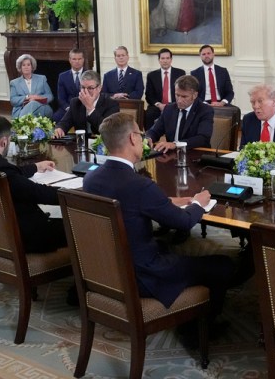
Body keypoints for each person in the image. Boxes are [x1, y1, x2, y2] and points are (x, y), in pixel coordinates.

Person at [82, 113, 235, 318]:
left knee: (169, 246)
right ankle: (201, 329)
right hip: (143, 275)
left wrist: (170, 201)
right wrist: (199, 202)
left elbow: (131, 203)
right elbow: (184, 222)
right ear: (132, 138)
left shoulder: (92, 177)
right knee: (223, 265)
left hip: (107, 269)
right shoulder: (140, 185)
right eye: (140, 133)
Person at [0, 116, 68, 253]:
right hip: (24, 238)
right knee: (78, 226)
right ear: (4, 142)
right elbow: (38, 193)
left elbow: (14, 174)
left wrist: (35, 167)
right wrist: (74, 193)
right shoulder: (3, 172)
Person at [146, 74, 212, 152]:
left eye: (184, 97)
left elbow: (203, 138)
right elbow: (154, 131)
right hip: (170, 155)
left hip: (195, 153)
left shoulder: (205, 110)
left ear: (194, 95)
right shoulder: (169, 109)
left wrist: (176, 144)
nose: (179, 100)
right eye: (177, 95)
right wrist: (149, 138)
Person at [53, 70, 119, 137]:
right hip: (81, 144)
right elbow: (64, 123)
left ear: (99, 88)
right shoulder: (76, 102)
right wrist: (60, 128)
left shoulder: (111, 104)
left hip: (102, 144)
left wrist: (90, 108)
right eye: (83, 87)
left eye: (90, 88)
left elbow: (107, 130)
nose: (86, 92)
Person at [144, 48, 185, 130]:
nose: (165, 61)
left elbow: (183, 92)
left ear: (171, 59)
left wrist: (173, 105)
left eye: (167, 58)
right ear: (159, 60)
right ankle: (149, 139)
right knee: (148, 114)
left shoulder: (180, 73)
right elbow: (149, 95)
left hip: (175, 105)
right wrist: (159, 105)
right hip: (158, 106)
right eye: (162, 58)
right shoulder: (151, 75)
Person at [9, 54, 54, 119]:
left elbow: (50, 96)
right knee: (33, 116)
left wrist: (37, 98)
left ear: (32, 66)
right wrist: (27, 97)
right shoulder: (14, 83)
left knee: (33, 103)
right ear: (20, 67)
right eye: (23, 65)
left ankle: (21, 123)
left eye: (28, 64)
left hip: (41, 108)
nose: (26, 67)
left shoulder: (42, 78)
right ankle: (31, 125)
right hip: (21, 109)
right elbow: (13, 100)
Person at [53, 49, 86, 121]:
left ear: (83, 60)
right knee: (55, 117)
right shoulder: (62, 76)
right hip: (68, 107)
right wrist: (68, 108)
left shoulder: (90, 74)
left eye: (79, 59)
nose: (77, 61)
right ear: (70, 60)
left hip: (86, 106)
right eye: (74, 59)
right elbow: (61, 98)